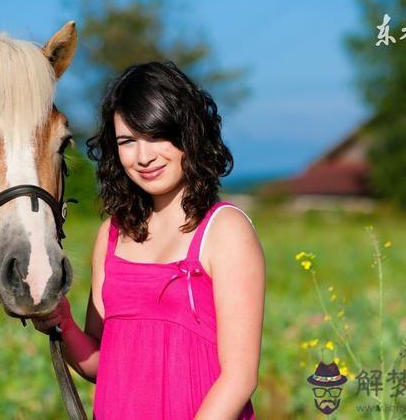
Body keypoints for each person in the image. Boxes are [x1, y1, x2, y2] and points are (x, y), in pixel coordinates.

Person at [33, 61, 266, 419]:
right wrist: (62, 322)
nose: (143, 157)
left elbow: (239, 378)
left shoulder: (225, 230)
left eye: (156, 136)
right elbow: (101, 365)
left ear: (188, 135)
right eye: (127, 141)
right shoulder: (112, 234)